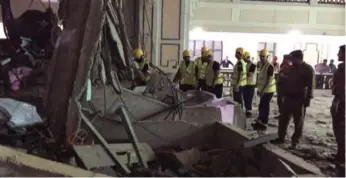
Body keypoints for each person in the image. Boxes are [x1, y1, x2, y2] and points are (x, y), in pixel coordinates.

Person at [271, 50, 314, 149]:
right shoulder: (291, 68)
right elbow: (284, 80)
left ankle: (295, 141)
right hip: (288, 97)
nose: (290, 60)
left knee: (298, 121)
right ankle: (280, 137)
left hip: (299, 99)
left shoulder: (308, 69)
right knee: (283, 119)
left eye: (292, 58)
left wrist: (308, 99)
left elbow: (311, 86)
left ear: (298, 58)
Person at [251, 49, 276, 131]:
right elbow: (262, 79)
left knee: (265, 106)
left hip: (268, 90)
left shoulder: (269, 66)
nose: (262, 58)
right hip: (263, 90)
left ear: (267, 57)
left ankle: (264, 122)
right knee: (261, 106)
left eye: (263, 56)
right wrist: (259, 90)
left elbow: (268, 81)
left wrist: (263, 91)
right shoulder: (262, 65)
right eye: (260, 56)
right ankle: (260, 120)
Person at [330, 45, 345, 177]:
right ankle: (340, 154)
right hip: (340, 101)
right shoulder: (341, 68)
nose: (337, 54)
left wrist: (337, 101)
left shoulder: (344, 69)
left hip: (342, 103)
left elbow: (342, 87)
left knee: (341, 129)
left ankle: (342, 157)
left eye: (339, 52)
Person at [275, 55, 292, 119]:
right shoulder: (282, 65)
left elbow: (290, 78)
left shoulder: (290, 67)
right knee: (279, 101)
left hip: (285, 87)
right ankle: (281, 113)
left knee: (283, 101)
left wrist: (283, 76)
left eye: (286, 59)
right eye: (284, 59)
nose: (284, 60)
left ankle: (285, 115)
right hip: (280, 85)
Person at [243, 51, 256, 117]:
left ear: (248, 57)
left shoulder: (253, 65)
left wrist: (242, 75)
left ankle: (249, 112)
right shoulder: (246, 65)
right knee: (245, 98)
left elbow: (249, 74)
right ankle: (247, 110)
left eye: (244, 58)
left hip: (251, 85)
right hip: (246, 84)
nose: (244, 59)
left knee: (249, 98)